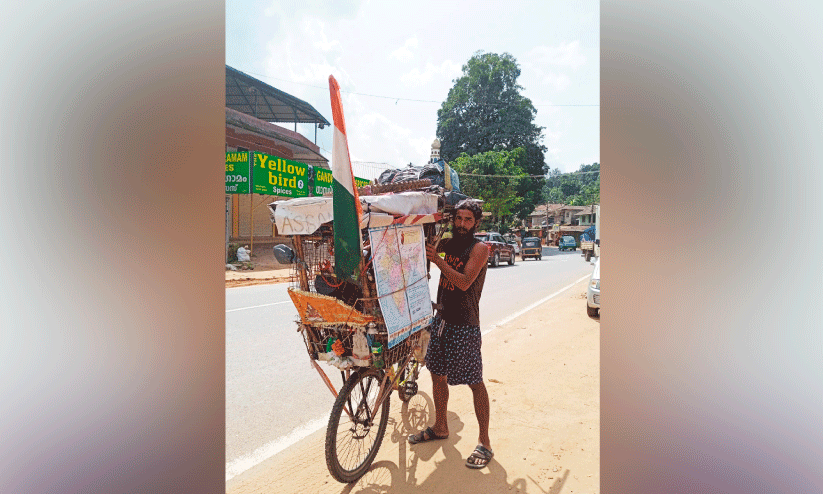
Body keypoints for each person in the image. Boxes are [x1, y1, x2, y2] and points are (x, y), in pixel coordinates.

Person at [408, 198, 494, 470]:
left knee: (474, 381)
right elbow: (426, 246)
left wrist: (438, 261)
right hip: (442, 320)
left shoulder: (479, 248)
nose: (462, 224)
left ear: (477, 223)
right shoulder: (446, 244)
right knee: (436, 374)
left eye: (468, 220)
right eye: (458, 219)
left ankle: (485, 442)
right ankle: (441, 426)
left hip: (464, 325)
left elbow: (464, 281)